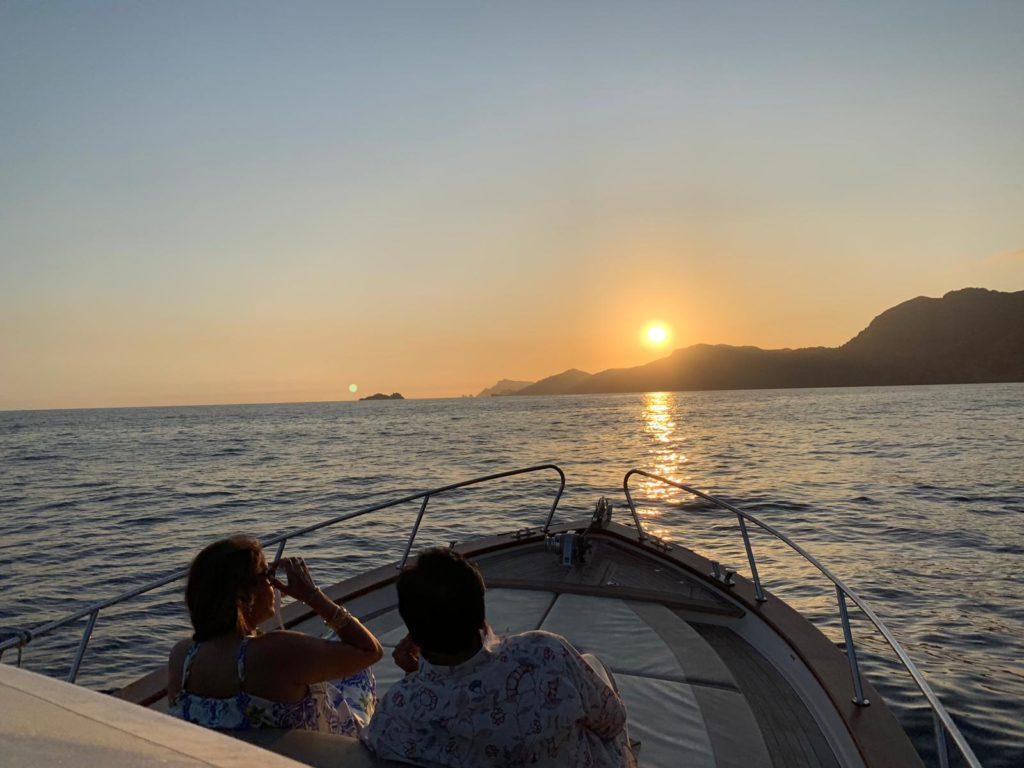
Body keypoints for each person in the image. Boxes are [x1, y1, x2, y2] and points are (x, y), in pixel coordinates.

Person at [362, 548, 632, 767]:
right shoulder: (545, 652)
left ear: (414, 636)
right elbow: (613, 722)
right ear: (481, 619)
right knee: (594, 666)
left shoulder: (394, 713)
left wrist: (416, 678)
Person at [167, 535, 383, 735]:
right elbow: (370, 650)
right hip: (316, 753)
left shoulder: (182, 656)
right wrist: (311, 595)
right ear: (244, 596)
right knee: (358, 672)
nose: (274, 585)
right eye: (267, 574)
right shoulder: (276, 651)